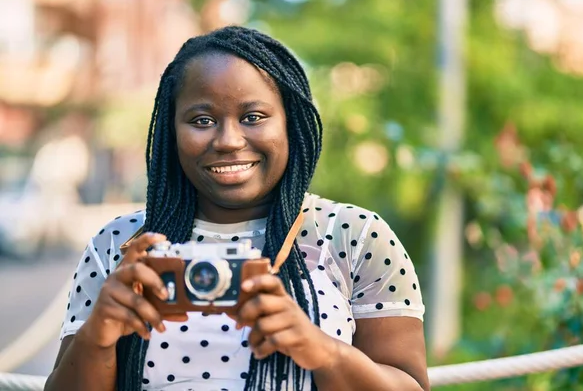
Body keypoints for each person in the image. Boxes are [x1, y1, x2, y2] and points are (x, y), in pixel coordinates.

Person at [45, 26, 429, 391]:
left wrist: (320, 350)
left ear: (289, 123)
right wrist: (97, 336)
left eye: (253, 117)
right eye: (202, 120)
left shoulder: (356, 236)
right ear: (171, 131)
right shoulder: (121, 244)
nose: (228, 140)